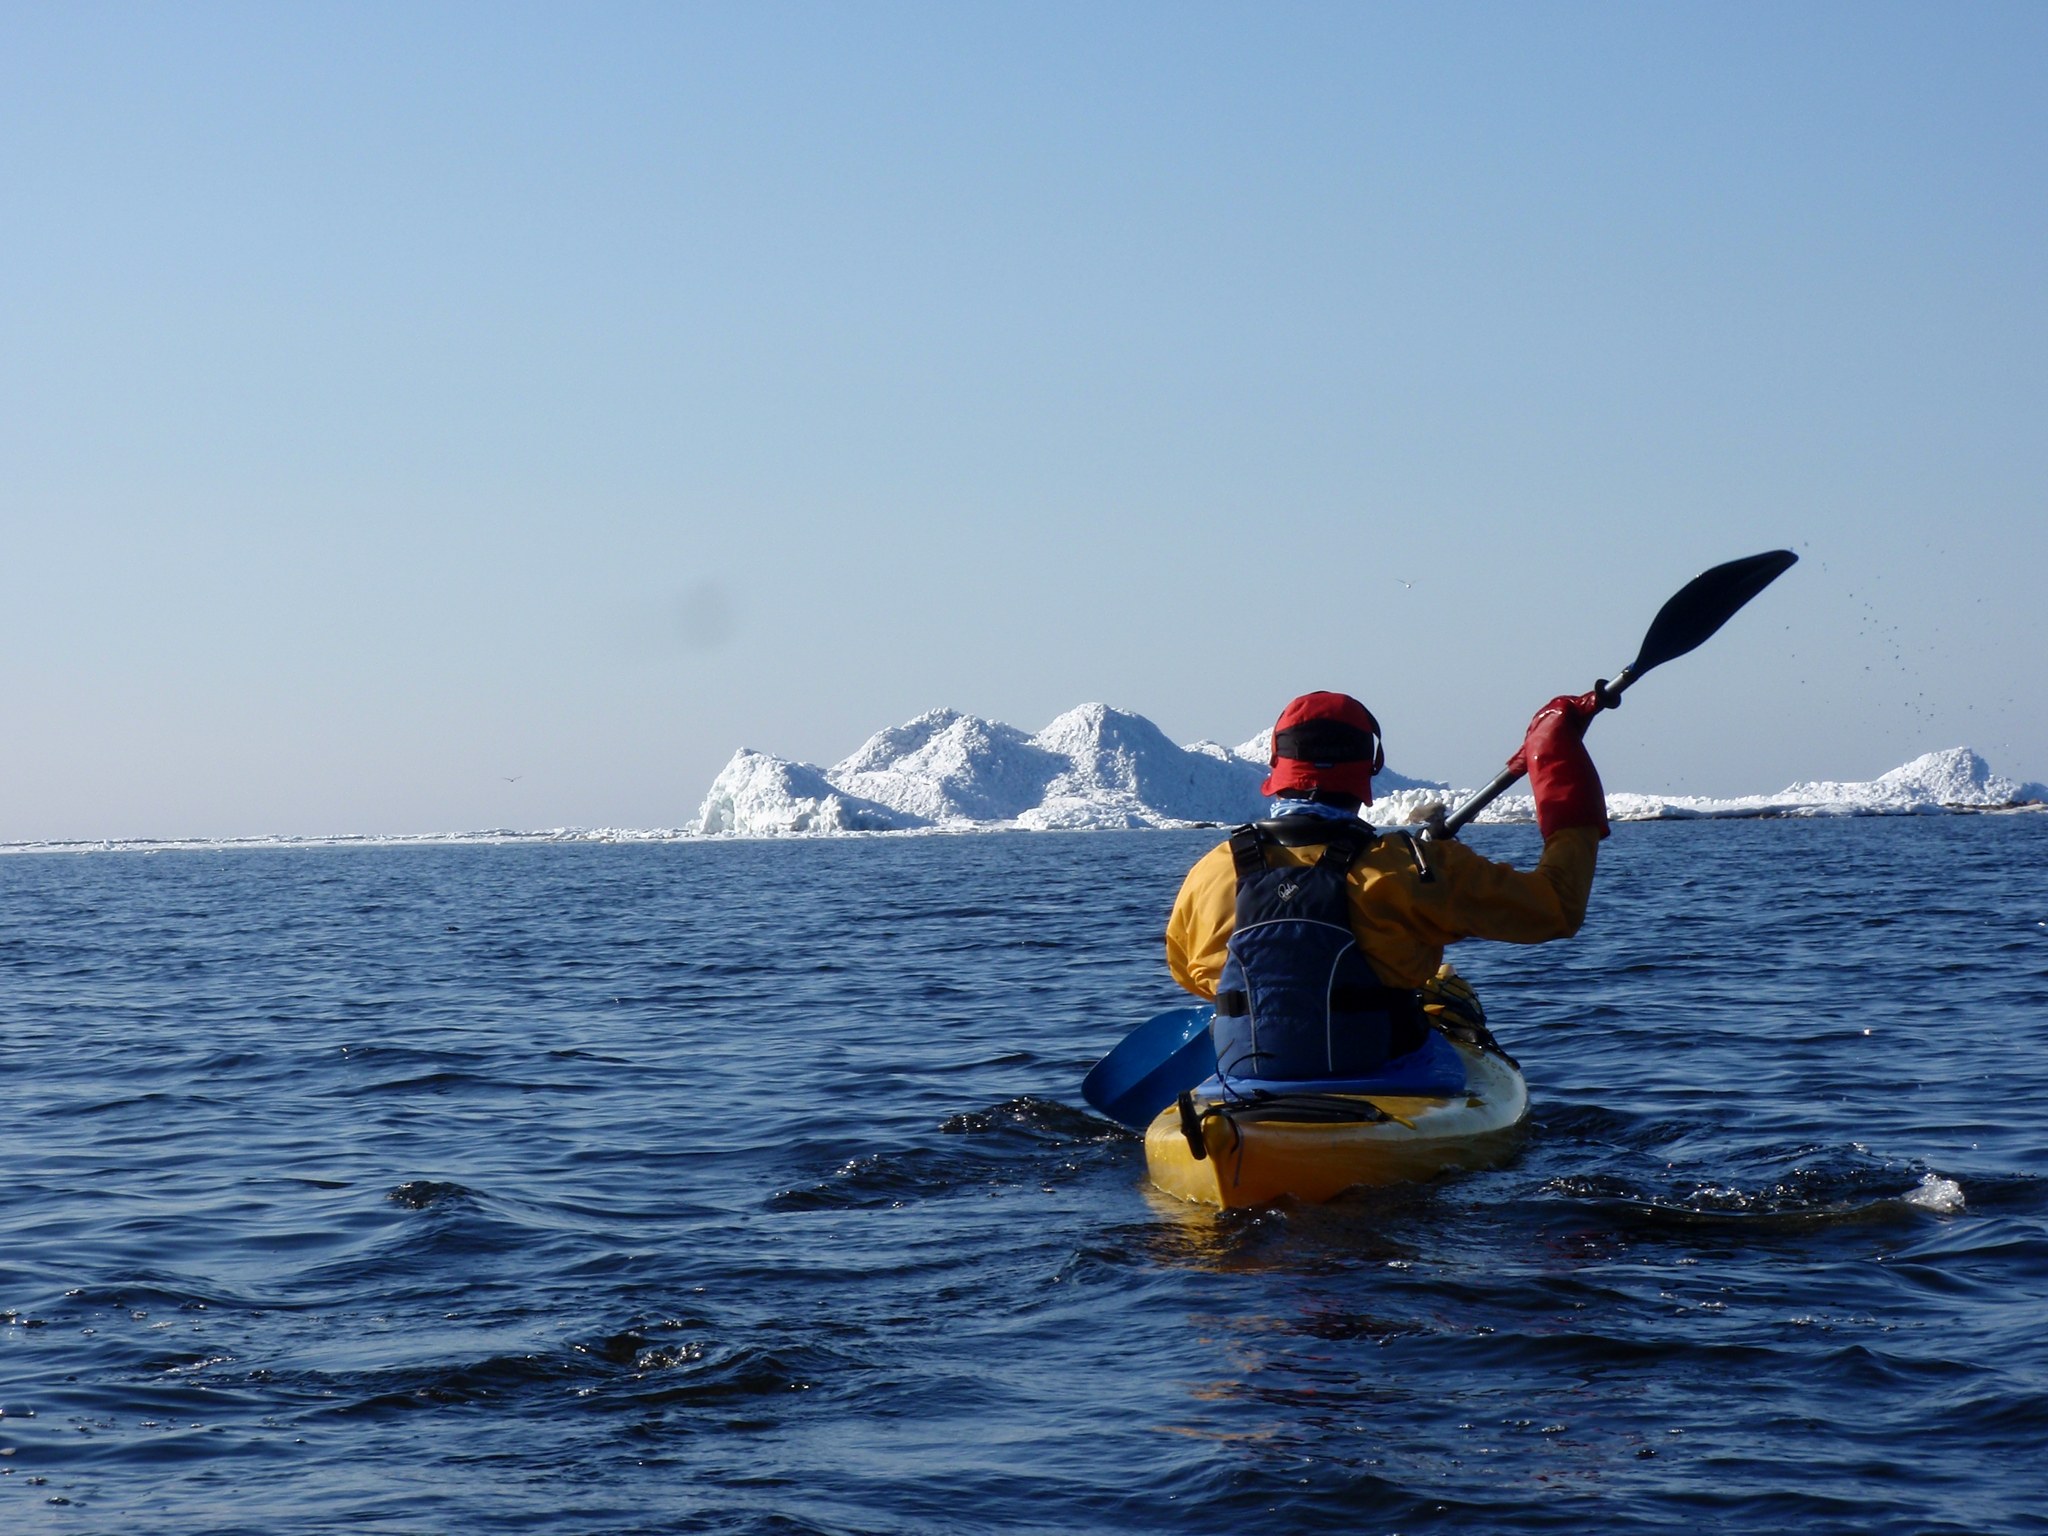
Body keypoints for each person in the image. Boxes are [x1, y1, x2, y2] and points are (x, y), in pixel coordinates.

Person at [1165, 689, 1607, 1089]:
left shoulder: (1213, 869)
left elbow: (1191, 973)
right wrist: (1561, 773)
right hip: (1383, 1077)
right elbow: (1556, 909)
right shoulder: (1413, 866)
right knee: (1449, 1000)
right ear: (1370, 765)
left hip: (1248, 1079)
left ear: (1277, 764)